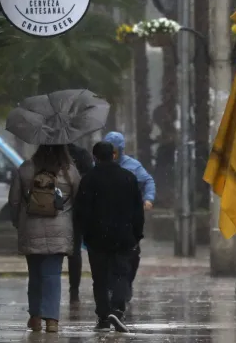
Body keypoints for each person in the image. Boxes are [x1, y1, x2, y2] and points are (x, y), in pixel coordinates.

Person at [8, 145, 80, 333]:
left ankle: (36, 317)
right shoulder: (69, 171)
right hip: (60, 229)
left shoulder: (26, 168)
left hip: (31, 228)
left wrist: (17, 222)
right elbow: (79, 199)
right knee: (52, 275)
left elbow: (14, 200)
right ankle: (52, 320)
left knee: (35, 275)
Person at [74, 142, 144, 332]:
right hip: (124, 236)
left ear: (95, 157)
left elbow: (81, 211)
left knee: (100, 278)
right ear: (113, 155)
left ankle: (104, 316)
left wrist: (84, 234)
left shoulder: (89, 179)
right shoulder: (128, 178)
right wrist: (137, 234)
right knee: (122, 273)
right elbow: (138, 211)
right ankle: (118, 308)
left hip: (97, 238)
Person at [103, 131, 155, 301]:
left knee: (132, 255)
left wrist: (148, 199)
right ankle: (115, 287)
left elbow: (148, 181)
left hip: (129, 221)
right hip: (107, 220)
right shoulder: (99, 166)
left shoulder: (133, 166)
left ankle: (125, 284)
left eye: (115, 151)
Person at [66, 143, 94, 304]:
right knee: (75, 251)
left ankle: (73, 288)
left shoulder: (48, 154)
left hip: (61, 209)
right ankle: (73, 289)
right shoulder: (81, 154)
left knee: (72, 251)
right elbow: (89, 179)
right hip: (76, 208)